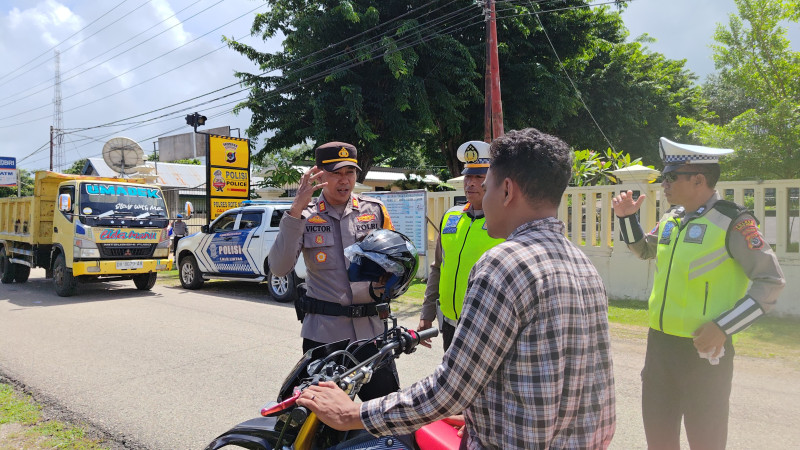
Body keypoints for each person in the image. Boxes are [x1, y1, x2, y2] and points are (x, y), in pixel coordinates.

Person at [297, 128, 616, 449]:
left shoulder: (504, 264)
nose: (477, 194)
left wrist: (354, 414)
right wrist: (486, 413)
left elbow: (450, 391)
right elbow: (570, 381)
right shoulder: (583, 264)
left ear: (506, 190)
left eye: (486, 186)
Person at [612, 137, 785, 450]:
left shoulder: (733, 221)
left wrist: (723, 327)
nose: (663, 183)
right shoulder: (671, 219)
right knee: (659, 439)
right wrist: (627, 218)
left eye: (670, 177)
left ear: (699, 180)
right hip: (660, 348)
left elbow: (770, 281)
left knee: (706, 441)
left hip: (705, 353)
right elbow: (643, 250)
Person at [267, 141, 399, 401]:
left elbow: (395, 261)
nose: (344, 180)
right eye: (336, 173)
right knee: (322, 423)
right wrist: (295, 210)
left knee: (387, 417)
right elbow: (279, 267)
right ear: (319, 176)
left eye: (349, 172)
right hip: (325, 339)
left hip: (372, 335)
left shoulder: (375, 211)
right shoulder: (304, 214)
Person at [418, 141, 504, 351]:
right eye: (468, 176)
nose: (470, 183)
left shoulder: (504, 221)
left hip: (486, 329)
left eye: (478, 177)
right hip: (450, 324)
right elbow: (438, 267)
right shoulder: (451, 216)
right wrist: (427, 314)